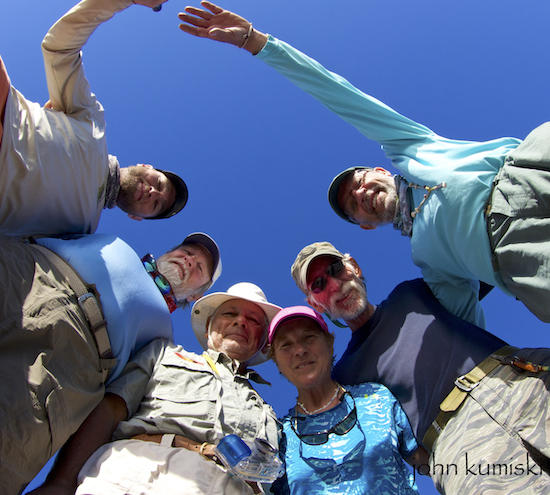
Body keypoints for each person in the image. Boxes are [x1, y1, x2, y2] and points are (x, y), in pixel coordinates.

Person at [178, 1, 550, 329]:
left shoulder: (411, 147)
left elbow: (336, 92)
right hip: (520, 258)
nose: (360, 193)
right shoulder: (430, 259)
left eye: (358, 181)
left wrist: (256, 42)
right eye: (354, 207)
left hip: (530, 171)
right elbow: (468, 333)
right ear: (368, 225)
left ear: (382, 171)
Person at [290, 241, 550, 494]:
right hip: (462, 445)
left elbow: (476, 263)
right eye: (319, 285)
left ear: (354, 267)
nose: (335, 285)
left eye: (335, 269)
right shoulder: (345, 378)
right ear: (316, 305)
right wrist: (442, 468)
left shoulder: (410, 293)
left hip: (521, 381)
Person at [0, 231, 221, 494]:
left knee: (9, 434)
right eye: (188, 251)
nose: (189, 260)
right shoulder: (113, 242)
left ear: (195, 296)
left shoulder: (164, 341)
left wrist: (63, 481)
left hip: (72, 357)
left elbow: (116, 403)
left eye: (199, 268)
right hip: (28, 274)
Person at [28, 282, 281, 495]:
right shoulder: (163, 354)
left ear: (262, 342)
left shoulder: (269, 413)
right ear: (208, 329)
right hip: (142, 476)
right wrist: (61, 483)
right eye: (230, 314)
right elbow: (110, 409)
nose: (240, 322)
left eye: (253, 320)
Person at [0, 0, 188, 240]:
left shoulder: (81, 233)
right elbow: (59, 49)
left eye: (156, 206)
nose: (153, 192)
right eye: (159, 184)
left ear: (136, 218)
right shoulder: (93, 122)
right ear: (146, 166)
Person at [268, 305, 424, 495]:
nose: (300, 350)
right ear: (276, 361)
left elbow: (425, 461)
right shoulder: (280, 438)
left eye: (308, 337)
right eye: (286, 345)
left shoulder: (375, 397)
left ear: (330, 342)